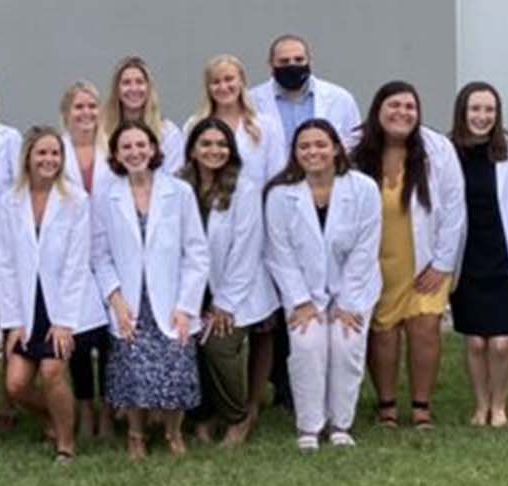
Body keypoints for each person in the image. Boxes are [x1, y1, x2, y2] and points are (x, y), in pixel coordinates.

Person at [350, 81, 465, 430]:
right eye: (393, 106)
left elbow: (454, 207)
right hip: (376, 262)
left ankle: (420, 406)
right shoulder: (354, 149)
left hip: (425, 260)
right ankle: (386, 406)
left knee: (425, 328)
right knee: (383, 333)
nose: (402, 113)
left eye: (409, 107)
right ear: (378, 110)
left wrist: (443, 262)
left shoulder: (436, 149)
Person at [92, 122, 209, 461]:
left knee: (175, 365)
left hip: (172, 299)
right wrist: (116, 300)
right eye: (126, 147)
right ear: (115, 154)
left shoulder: (179, 192)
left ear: (154, 149)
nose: (134, 153)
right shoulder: (106, 194)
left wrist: (186, 306)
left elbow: (196, 253)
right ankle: (135, 434)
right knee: (132, 368)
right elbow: (99, 255)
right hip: (129, 300)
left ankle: (173, 433)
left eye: (141, 145)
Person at [263, 120, 382, 452]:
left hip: (353, 289)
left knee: (346, 345)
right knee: (307, 345)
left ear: (335, 149)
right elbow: (280, 253)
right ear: (295, 153)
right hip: (302, 291)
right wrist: (301, 302)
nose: (312, 152)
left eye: (320, 145)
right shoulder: (281, 195)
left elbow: (365, 248)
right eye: (304, 146)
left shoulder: (363, 189)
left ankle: (340, 423)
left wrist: (347, 302)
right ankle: (309, 425)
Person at [179, 118, 279, 445]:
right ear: (192, 150)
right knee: (187, 345)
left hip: (237, 289)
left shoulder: (244, 189)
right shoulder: (178, 187)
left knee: (218, 345)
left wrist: (224, 304)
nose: (214, 151)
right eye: (205, 144)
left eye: (221, 145)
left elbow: (246, 250)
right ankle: (202, 416)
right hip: (192, 288)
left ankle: (238, 417)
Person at [0, 127, 90, 464]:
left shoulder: (76, 201)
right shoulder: (10, 201)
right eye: (42, 153)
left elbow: (77, 265)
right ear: (28, 158)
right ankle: (53, 415)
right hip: (25, 303)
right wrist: (14, 323)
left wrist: (64, 322)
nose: (48, 160)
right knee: (16, 385)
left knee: (51, 372)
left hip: (60, 304)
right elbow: (4, 263)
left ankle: (66, 443)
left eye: (55, 154)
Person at [447, 83, 508, 428]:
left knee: (500, 342)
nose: (482, 117)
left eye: (489, 110)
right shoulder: (447, 150)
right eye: (475, 109)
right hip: (466, 257)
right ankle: (481, 405)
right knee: (475, 341)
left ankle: (500, 405)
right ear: (462, 112)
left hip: (506, 255)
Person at [56, 80, 112, 439]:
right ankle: (84, 407)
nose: (86, 113)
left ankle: (108, 410)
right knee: (76, 335)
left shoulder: (114, 149)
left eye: (92, 106)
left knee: (109, 339)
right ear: (66, 113)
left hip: (110, 253)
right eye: (79, 107)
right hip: (69, 255)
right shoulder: (56, 151)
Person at [247, 34, 362, 169]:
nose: (292, 65)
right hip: (272, 183)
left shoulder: (340, 98)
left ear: (310, 61)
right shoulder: (251, 101)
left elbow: (355, 144)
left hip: (328, 182)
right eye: (284, 61)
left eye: (299, 59)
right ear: (270, 64)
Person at [190, 53, 283, 186]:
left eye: (229, 79)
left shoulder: (267, 126)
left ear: (241, 81)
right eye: (216, 82)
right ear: (208, 88)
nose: (223, 87)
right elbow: (189, 174)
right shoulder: (194, 125)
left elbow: (276, 176)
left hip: (256, 204)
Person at [100, 56, 186, 176]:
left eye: (139, 82)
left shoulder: (168, 133)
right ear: (117, 90)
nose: (133, 88)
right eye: (126, 83)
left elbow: (173, 179)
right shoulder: (101, 132)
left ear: (149, 88)